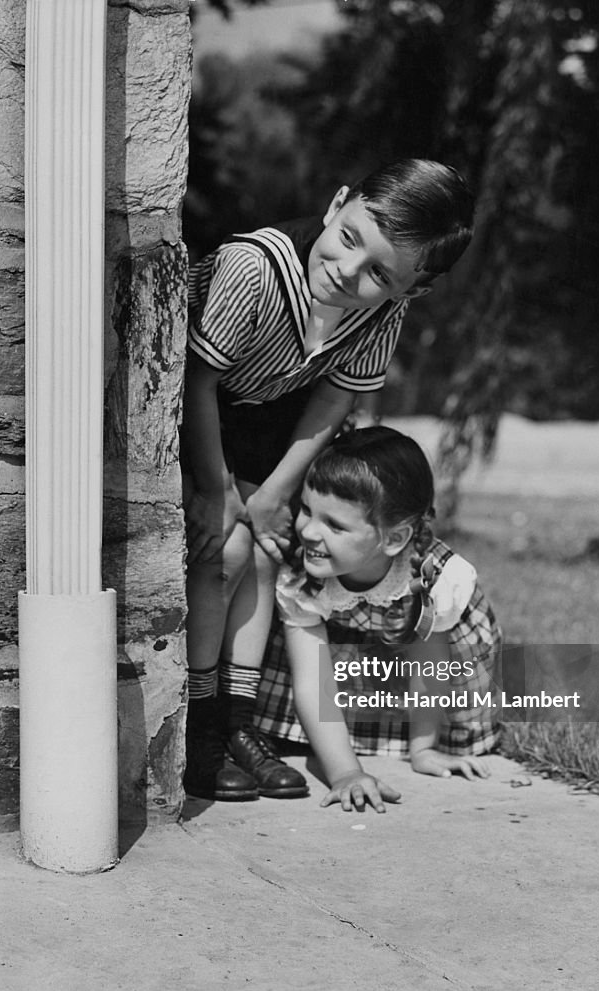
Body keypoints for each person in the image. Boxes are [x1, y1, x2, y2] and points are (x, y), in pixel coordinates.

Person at [181, 159, 475, 802]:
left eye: (379, 274)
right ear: (338, 202)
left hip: (269, 433)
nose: (347, 270)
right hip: (193, 427)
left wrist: (274, 497)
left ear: (410, 291)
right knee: (220, 552)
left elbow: (330, 403)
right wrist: (217, 491)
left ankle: (238, 726)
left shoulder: (382, 316)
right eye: (349, 238)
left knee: (263, 555)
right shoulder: (254, 267)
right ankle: (196, 730)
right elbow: (196, 382)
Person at [255, 426, 501, 812]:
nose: (308, 531)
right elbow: (312, 682)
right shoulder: (304, 577)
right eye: (306, 510)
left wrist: (424, 750)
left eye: (335, 525)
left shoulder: (431, 577)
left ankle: (410, 740)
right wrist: (345, 773)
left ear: (393, 538)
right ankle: (340, 746)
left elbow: (430, 669)